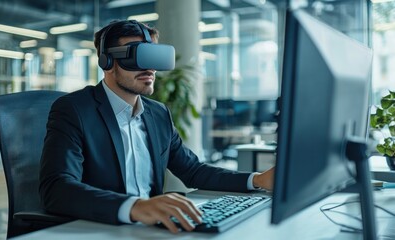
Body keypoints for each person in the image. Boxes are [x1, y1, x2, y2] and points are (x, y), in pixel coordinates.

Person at [39, 19, 274, 234]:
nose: (150, 68)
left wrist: (256, 180)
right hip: (101, 228)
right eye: (138, 56)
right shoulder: (75, 110)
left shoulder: (158, 114)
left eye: (153, 57)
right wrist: (135, 207)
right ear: (107, 61)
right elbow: (57, 189)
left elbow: (193, 171)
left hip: (152, 230)